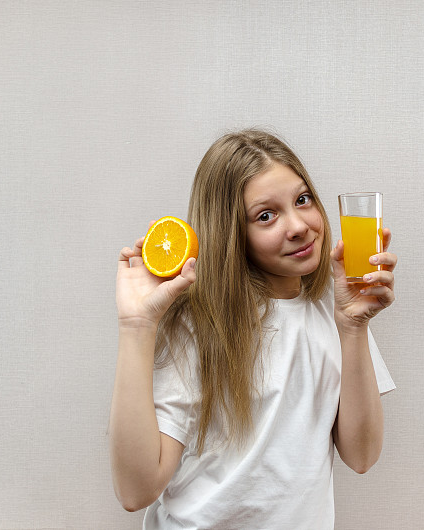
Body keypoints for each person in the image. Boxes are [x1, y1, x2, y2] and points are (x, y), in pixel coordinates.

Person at [110, 129, 397, 529]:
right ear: (232, 236)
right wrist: (137, 327)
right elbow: (136, 491)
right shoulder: (199, 326)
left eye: (302, 200)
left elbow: (362, 456)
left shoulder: (334, 308)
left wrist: (352, 328)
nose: (298, 226)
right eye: (266, 215)